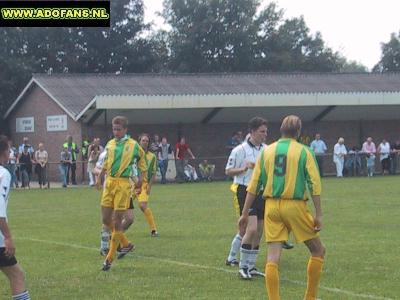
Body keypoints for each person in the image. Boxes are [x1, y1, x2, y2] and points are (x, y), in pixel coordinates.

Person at [239, 115, 325, 300]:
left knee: (272, 257)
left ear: (281, 130)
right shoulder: (304, 151)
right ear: (299, 132)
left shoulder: (267, 151)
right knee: (318, 250)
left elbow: (253, 185)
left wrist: (245, 213)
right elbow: (314, 184)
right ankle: (310, 297)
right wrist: (318, 214)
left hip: (271, 206)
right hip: (294, 205)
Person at [225, 117, 293, 280]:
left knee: (260, 231)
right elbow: (228, 171)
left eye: (266, 132)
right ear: (252, 132)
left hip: (262, 192)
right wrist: (243, 168)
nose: (265, 134)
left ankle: (251, 265)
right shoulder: (239, 150)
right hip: (245, 190)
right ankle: (242, 266)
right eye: (262, 131)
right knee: (252, 228)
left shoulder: (267, 149)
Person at [96, 116, 147, 271]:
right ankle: (125, 243)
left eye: (119, 129)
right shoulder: (110, 144)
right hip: (109, 183)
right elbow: (105, 164)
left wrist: (140, 182)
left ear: (125, 129)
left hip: (123, 184)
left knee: (118, 220)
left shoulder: (134, 145)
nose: (116, 132)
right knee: (105, 219)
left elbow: (142, 165)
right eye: (114, 129)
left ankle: (109, 259)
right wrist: (99, 179)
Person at [0, 135, 31, 300]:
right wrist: (8, 237)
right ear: (4, 151)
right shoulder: (3, 173)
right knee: (17, 275)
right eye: (9, 149)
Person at [134, 133, 159, 237]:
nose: (145, 142)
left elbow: (153, 173)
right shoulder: (133, 155)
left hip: (144, 184)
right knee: (123, 207)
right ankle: (116, 229)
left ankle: (153, 229)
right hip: (132, 183)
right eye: (143, 140)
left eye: (147, 141)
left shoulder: (152, 157)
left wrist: (149, 186)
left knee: (142, 205)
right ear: (139, 142)